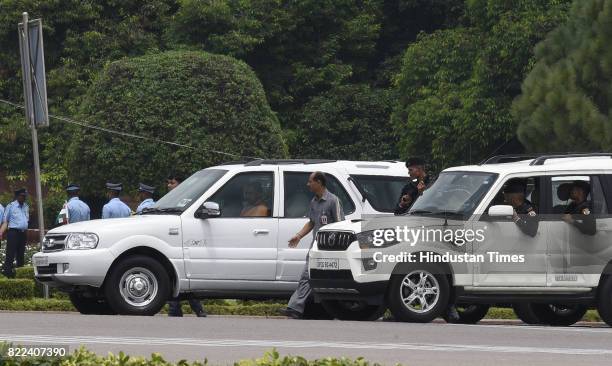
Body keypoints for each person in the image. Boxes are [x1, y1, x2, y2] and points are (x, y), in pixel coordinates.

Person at [279, 171, 344, 319]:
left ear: (319, 183)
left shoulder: (333, 201)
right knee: (306, 276)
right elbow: (311, 223)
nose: (308, 184)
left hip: (330, 250)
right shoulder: (314, 202)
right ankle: (294, 308)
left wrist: (335, 247)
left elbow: (341, 225)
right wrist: (298, 236)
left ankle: (332, 311)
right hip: (316, 248)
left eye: (310, 181)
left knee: (328, 281)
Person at [165, 173, 207, 317]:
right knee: (177, 279)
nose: (169, 185)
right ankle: (182, 310)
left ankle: (187, 309)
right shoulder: (169, 201)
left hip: (184, 245)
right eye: (168, 183)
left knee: (182, 280)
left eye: (172, 182)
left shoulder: (185, 201)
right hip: (172, 246)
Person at [0, 188, 29, 277]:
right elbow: (5, 222)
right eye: (22, 196)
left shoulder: (26, 206)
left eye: (25, 196)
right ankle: (7, 275)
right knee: (10, 255)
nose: (24, 198)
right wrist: (0, 233)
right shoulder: (11, 206)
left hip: (23, 233)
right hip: (13, 233)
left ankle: (20, 275)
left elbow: (26, 220)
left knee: (21, 255)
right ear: (17, 196)